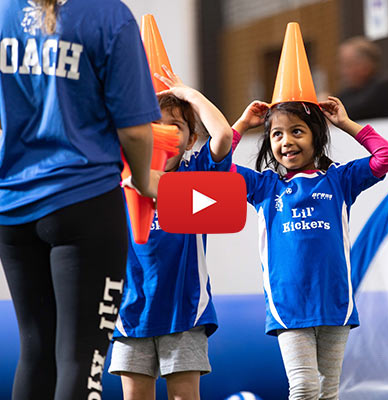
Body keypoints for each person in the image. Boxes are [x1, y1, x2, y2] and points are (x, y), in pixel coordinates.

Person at [0, 0, 162, 399]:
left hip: (12, 206)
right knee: (79, 357)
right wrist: (143, 180)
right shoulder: (107, 15)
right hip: (84, 201)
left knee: (35, 351)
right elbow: (137, 132)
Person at [231, 96, 388, 399]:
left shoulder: (339, 180)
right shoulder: (264, 187)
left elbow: (387, 156)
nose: (286, 141)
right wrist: (242, 125)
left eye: (297, 131)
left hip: (335, 303)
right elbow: (215, 166)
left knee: (328, 391)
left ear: (316, 137)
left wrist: (346, 124)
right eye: (277, 134)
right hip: (289, 306)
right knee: (305, 387)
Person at [108, 66, 233, 400]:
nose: (162, 134)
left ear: (191, 138)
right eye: (152, 126)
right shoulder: (119, 176)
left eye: (174, 127)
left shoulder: (198, 171)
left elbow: (223, 136)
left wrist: (188, 94)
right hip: (132, 310)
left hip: (185, 309)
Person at [337, 36, 388, 120]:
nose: (343, 72)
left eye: (348, 65)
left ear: (366, 65)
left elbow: (351, 111)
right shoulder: (348, 92)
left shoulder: (385, 87)